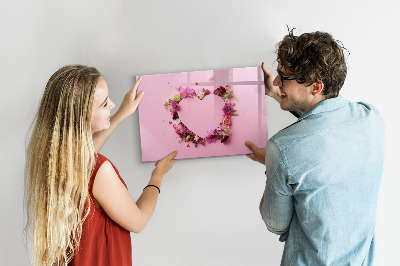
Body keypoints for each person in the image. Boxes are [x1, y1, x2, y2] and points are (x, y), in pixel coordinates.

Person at [245, 30, 385, 265]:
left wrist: (273, 163)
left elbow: (275, 224)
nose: (277, 81)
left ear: (316, 87)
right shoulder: (371, 118)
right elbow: (325, 124)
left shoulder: (282, 149)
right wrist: (278, 94)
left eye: (284, 77)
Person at [24, 65, 177, 266]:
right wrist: (157, 175)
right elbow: (138, 221)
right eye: (105, 104)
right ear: (81, 117)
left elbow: (86, 156)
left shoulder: (53, 159)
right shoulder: (99, 170)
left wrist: (122, 113)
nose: (112, 104)